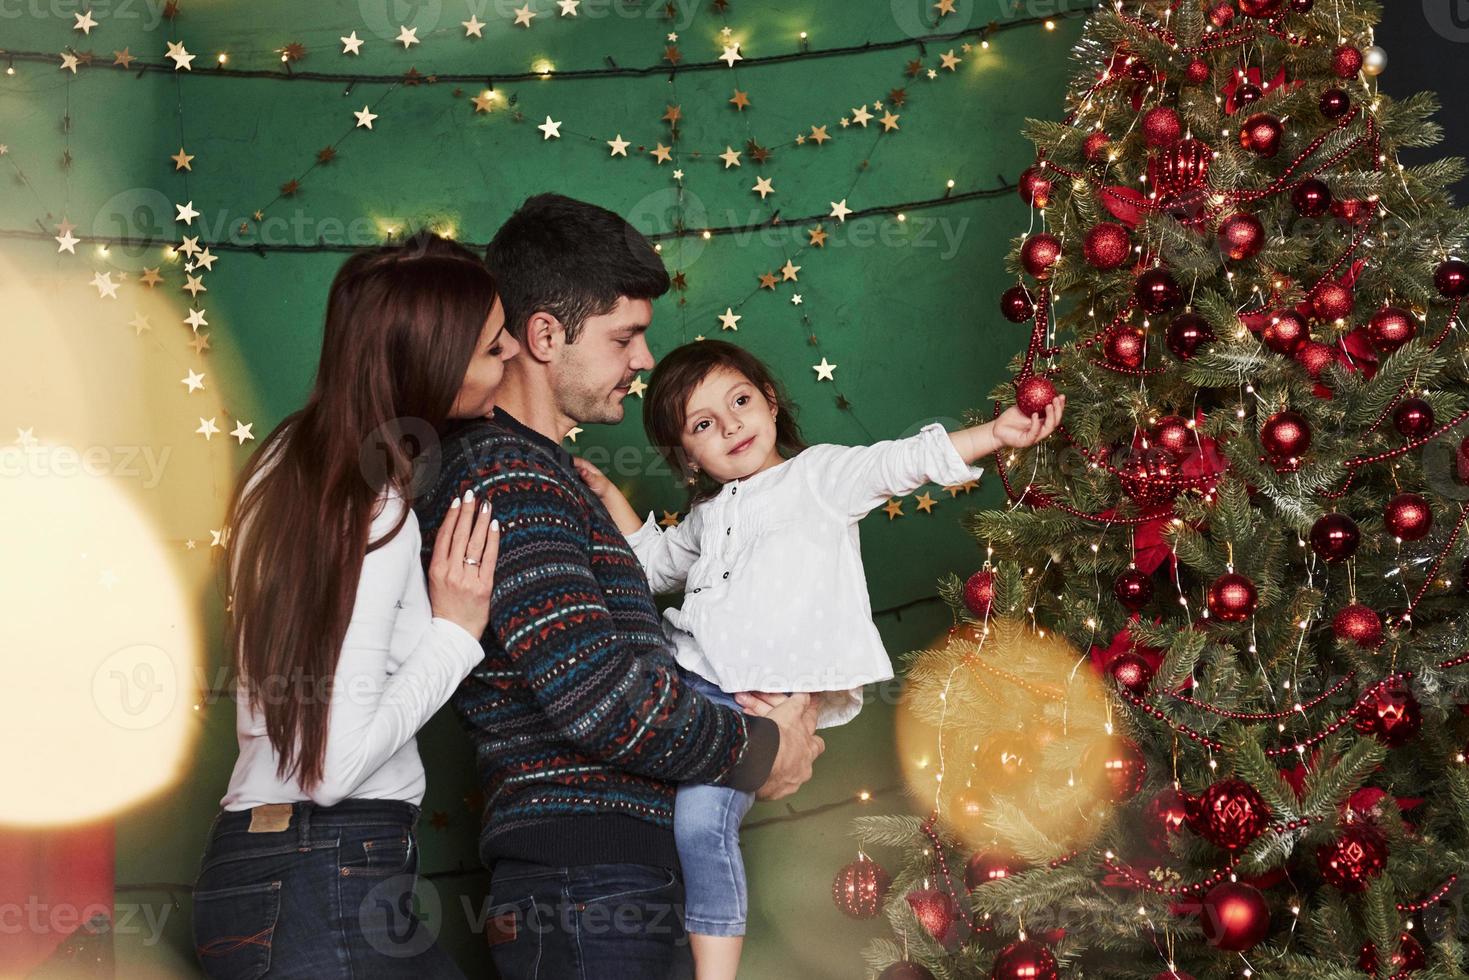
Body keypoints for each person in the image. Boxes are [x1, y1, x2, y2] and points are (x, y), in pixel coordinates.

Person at [412, 194, 825, 980]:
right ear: (543, 335)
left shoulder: (550, 474)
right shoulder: (507, 476)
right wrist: (759, 749)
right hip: (581, 889)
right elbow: (598, 696)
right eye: (624, 337)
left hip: (610, 882)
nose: (643, 360)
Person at [576, 339, 1065, 979]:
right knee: (642, 809)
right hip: (683, 680)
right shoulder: (707, 515)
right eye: (703, 425)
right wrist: (611, 496)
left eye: (740, 401)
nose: (730, 426)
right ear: (687, 457)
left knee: (700, 826)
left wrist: (992, 434)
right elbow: (651, 565)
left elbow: (902, 462)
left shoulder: (819, 477)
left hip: (753, 699)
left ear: (770, 401)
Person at [192, 232, 517, 978]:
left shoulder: (281, 464)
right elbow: (332, 769)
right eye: (493, 349)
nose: (509, 364)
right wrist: (455, 635)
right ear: (430, 363)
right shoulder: (375, 507)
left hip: (259, 870)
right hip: (326, 871)